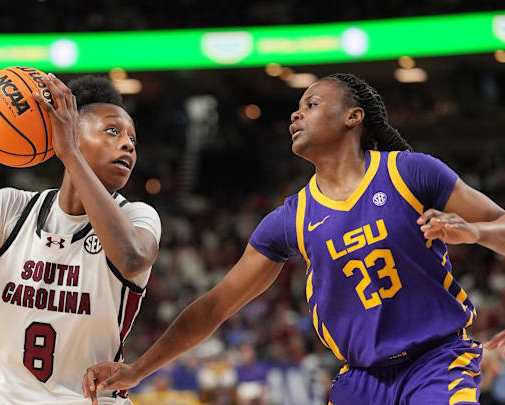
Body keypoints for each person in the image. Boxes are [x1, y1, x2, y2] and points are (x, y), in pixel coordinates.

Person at [83, 73, 505, 404]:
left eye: (311, 104)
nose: (295, 115)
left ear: (353, 117)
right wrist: (139, 369)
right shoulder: (292, 218)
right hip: (360, 380)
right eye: (296, 109)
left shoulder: (411, 172)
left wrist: (477, 232)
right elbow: (214, 306)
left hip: (436, 362)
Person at [0, 73, 161, 405]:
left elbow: (132, 257)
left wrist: (70, 153)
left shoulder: (138, 217)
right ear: (70, 130)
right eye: (112, 130)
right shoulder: (11, 207)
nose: (128, 145)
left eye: (133, 139)